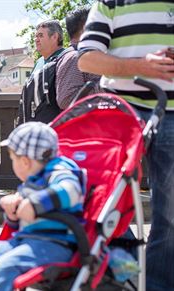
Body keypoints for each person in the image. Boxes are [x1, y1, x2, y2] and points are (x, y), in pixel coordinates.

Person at [77, 1, 174, 289]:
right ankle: (119, 271)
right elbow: (87, 59)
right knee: (105, 200)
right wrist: (142, 67)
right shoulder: (111, 2)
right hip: (121, 109)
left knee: (170, 213)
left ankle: (157, 284)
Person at [0, 122, 86, 291]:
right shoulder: (32, 180)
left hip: (56, 244)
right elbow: (23, 219)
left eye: (13, 159)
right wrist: (13, 214)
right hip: (26, 240)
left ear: (25, 161)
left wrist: (35, 204)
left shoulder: (60, 171)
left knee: (4, 267)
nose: (12, 164)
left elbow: (71, 190)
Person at [55, 8, 101, 109]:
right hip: (87, 123)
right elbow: (66, 100)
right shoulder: (74, 57)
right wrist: (104, 86)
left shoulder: (85, 55)